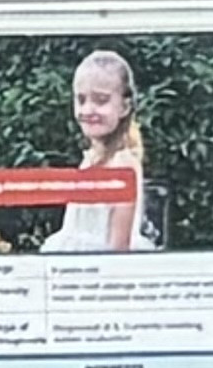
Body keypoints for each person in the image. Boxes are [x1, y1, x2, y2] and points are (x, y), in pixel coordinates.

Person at [48, 44, 158, 255]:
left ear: (124, 107)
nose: (88, 110)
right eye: (81, 100)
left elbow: (119, 246)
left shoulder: (123, 164)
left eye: (101, 100)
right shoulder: (90, 159)